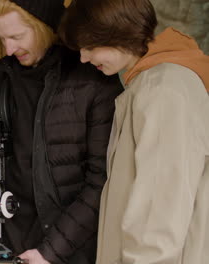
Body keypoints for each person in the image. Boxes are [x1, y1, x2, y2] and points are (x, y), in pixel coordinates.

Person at [0, 0, 124, 263]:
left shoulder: (92, 76)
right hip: (10, 238)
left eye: (16, 36)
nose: (9, 49)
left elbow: (102, 182)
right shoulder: (4, 74)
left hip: (70, 248)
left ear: (44, 25)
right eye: (1, 38)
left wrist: (51, 252)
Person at [58, 0, 209, 263]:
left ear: (117, 33)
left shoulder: (163, 90)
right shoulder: (152, 83)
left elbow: (159, 215)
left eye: (90, 46)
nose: (83, 57)